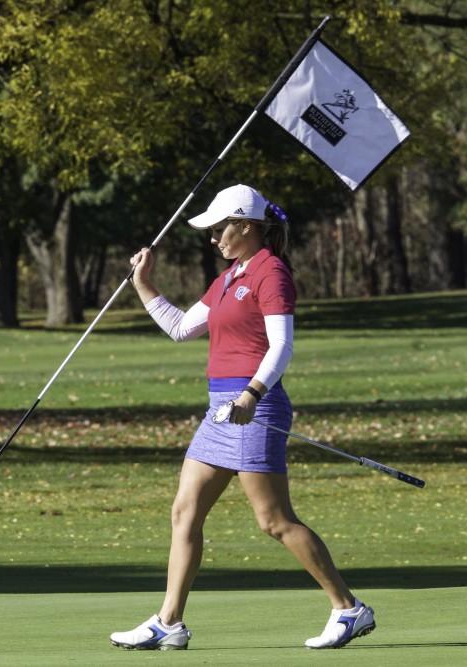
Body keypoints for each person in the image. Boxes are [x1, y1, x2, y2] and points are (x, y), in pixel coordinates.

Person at [109, 184, 375, 651]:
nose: (214, 238)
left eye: (220, 229)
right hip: (219, 407)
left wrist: (252, 393)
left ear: (246, 226)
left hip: (256, 404)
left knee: (273, 520)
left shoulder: (272, 273)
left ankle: (349, 609)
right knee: (185, 510)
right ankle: (169, 622)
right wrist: (143, 282)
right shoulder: (230, 276)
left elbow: (281, 347)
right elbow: (179, 329)